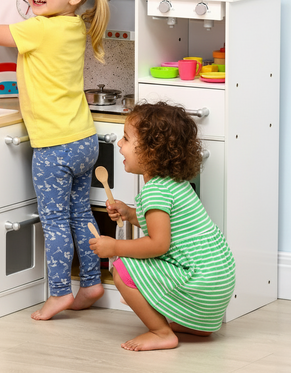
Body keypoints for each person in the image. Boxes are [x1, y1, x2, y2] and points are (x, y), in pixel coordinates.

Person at [0, 0, 110, 320]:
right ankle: (92, 282)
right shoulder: (75, 23)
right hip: (83, 140)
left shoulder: (41, 29)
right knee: (80, 214)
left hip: (54, 147)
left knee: (55, 220)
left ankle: (60, 292)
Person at [89, 101, 235, 351]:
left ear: (150, 151)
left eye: (125, 139)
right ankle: (196, 324)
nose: (119, 144)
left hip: (200, 280)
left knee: (123, 269)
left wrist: (114, 247)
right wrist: (129, 213)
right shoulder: (174, 184)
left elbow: (158, 244)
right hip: (219, 280)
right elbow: (166, 227)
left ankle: (160, 332)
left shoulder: (155, 191)